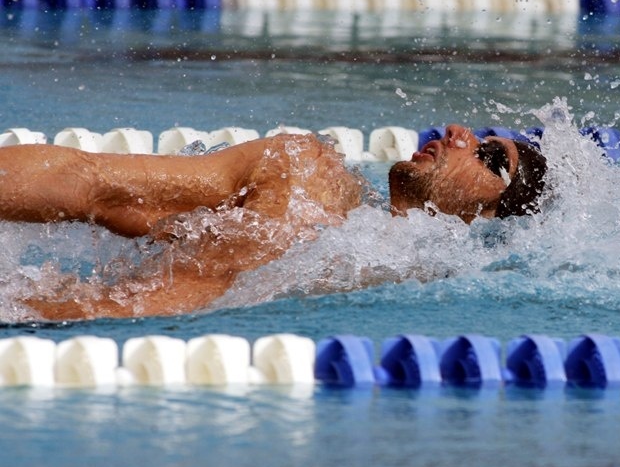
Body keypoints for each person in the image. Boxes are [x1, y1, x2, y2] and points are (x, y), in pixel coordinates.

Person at [0, 124, 546, 321]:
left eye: (490, 158)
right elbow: (94, 185)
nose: (457, 131)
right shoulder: (306, 172)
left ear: (490, 217)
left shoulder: (430, 277)